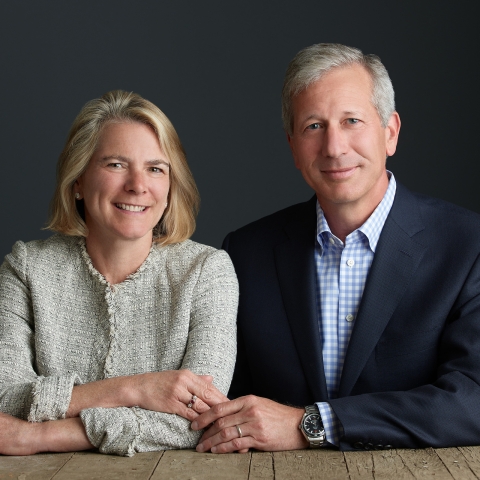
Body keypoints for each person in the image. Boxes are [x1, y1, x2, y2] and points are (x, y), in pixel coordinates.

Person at [191, 43, 480, 453]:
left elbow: (472, 401)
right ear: (292, 146)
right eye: (313, 126)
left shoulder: (468, 246)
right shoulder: (245, 254)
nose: (333, 147)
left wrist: (311, 424)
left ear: (390, 132)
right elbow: (217, 400)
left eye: (352, 121)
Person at [0, 90, 238, 456]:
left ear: (171, 186)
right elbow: (4, 395)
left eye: (156, 168)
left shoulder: (208, 272)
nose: (138, 185)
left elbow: (200, 418)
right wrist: (135, 389)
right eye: (115, 164)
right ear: (78, 179)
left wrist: (35, 437)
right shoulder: (27, 267)